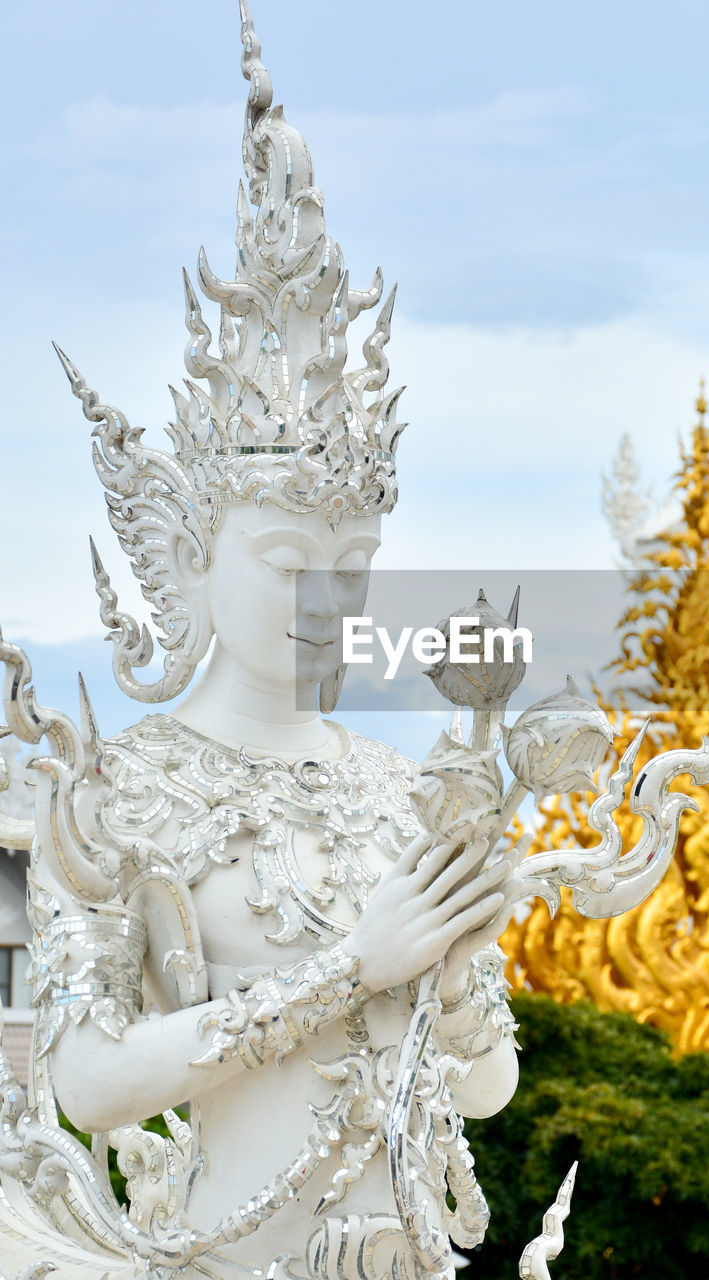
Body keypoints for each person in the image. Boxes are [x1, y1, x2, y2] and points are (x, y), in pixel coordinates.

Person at [3, 9, 520, 1278]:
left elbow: (494, 1080)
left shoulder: (395, 784)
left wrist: (453, 972)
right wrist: (358, 962)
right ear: (194, 548)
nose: (329, 603)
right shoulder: (115, 792)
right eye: (291, 564)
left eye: (353, 571)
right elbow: (89, 1084)